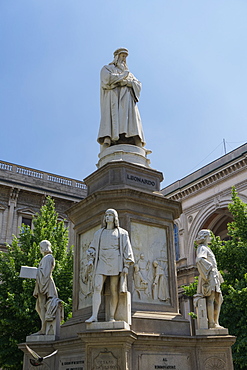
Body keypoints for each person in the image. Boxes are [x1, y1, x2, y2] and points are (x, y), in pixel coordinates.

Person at [85, 209, 135, 323]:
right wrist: (90, 258)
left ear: (115, 218)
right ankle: (94, 316)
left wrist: (126, 266)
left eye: (110, 215)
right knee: (97, 287)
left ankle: (111, 316)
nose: (107, 217)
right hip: (101, 261)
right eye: (106, 215)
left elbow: (127, 249)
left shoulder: (122, 233)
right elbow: (92, 247)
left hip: (115, 261)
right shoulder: (99, 233)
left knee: (114, 290)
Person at [97, 48, 145, 149]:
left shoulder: (129, 74)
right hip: (113, 99)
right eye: (122, 56)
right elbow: (107, 80)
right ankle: (108, 139)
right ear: (116, 57)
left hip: (128, 102)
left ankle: (137, 142)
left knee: (131, 121)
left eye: (125, 57)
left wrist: (128, 82)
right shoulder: (107, 68)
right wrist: (122, 77)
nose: (124, 59)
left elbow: (138, 85)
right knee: (113, 120)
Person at [195, 229, 224, 329]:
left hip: (214, 275)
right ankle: (212, 323)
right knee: (211, 298)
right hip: (210, 275)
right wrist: (210, 268)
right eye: (209, 236)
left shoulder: (206, 248)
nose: (211, 237)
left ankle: (215, 322)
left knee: (219, 299)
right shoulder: (202, 247)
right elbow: (199, 259)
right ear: (205, 237)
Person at [32, 240, 62, 335]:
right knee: (39, 307)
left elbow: (46, 273)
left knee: (42, 305)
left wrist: (35, 272)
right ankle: (43, 328)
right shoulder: (46, 258)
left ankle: (44, 329)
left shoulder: (48, 258)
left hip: (45, 283)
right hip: (43, 282)